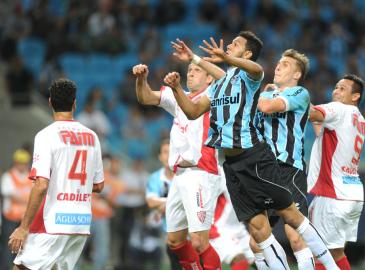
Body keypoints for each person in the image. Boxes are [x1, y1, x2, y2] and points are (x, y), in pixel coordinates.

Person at [168, 31, 338, 269]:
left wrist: (226, 66)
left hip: (261, 158)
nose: (228, 45)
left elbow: (256, 74)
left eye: (235, 44)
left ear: (247, 53)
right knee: (258, 233)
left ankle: (332, 267)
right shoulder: (220, 86)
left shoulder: (267, 83)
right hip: (230, 164)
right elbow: (193, 112)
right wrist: (178, 84)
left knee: (292, 222)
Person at [132, 62, 222, 269]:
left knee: (199, 241)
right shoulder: (179, 95)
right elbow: (145, 97)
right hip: (180, 175)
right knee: (174, 240)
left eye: (197, 70)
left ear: (210, 78)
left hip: (201, 172)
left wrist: (176, 88)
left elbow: (192, 111)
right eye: (189, 69)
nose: (191, 72)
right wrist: (141, 79)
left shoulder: (215, 96)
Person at [8, 78, 104, 270]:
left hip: (52, 221)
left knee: (21, 268)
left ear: (50, 102)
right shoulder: (92, 136)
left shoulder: (46, 135)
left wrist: (23, 227)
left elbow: (41, 184)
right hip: (81, 223)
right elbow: (99, 185)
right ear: (75, 103)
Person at [253, 48, 314, 269]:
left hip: (289, 169)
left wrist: (261, 94)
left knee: (295, 234)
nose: (278, 66)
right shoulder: (266, 94)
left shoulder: (299, 93)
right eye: (278, 63)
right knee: (257, 242)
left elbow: (267, 106)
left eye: (286, 64)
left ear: (297, 74)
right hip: (263, 171)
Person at [307, 74, 365, 270]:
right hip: (352, 194)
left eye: (342, 88)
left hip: (333, 194)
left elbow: (311, 114)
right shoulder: (360, 119)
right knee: (336, 253)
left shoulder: (339, 109)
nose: (336, 91)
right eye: (336, 87)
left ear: (355, 96)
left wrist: (290, 95)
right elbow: (324, 135)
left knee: (320, 254)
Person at [145, 138, 182, 270]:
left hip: (192, 233)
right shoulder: (155, 178)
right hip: (169, 234)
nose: (169, 155)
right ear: (160, 156)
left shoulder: (184, 175)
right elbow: (151, 201)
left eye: (172, 151)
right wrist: (172, 202)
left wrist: (163, 205)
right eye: (165, 152)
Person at [209, 168, 254, 270]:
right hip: (220, 229)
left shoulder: (250, 170)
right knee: (240, 259)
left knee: (264, 259)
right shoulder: (219, 172)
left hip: (239, 227)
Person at [0, 149, 32, 269]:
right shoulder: (8, 176)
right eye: (20, 162)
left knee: (24, 248)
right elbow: (13, 195)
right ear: (15, 162)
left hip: (25, 220)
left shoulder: (31, 177)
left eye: (24, 162)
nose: (22, 165)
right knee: (8, 248)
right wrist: (29, 199)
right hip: (10, 218)